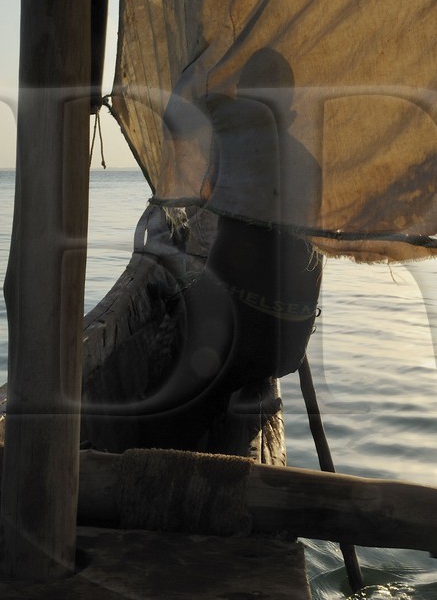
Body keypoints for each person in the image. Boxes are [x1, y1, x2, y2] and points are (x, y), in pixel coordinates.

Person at [132, 48, 323, 449]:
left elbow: (207, 191)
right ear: (289, 98)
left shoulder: (231, 139)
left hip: (237, 334)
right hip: (289, 344)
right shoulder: (310, 164)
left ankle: (162, 441)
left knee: (171, 319)